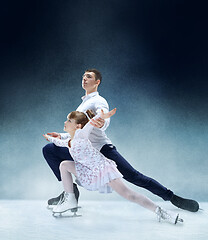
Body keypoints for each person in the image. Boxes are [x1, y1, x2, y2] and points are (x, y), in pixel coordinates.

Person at [42, 68, 199, 212]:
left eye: (88, 77)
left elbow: (103, 114)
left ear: (97, 82)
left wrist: (103, 121)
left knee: (134, 176)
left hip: (102, 150)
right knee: (49, 149)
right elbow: (78, 133)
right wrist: (61, 136)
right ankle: (70, 192)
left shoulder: (99, 100)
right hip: (86, 154)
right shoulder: (82, 104)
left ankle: (171, 197)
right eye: (83, 76)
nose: (84, 79)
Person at [43, 108, 183, 224]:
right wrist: (51, 138)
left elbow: (90, 123)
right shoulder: (70, 140)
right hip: (89, 171)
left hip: (102, 169)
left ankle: (162, 213)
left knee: (129, 194)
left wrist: (102, 115)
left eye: (69, 121)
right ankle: (70, 200)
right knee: (64, 165)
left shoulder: (81, 135)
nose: (65, 122)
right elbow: (60, 142)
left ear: (78, 126)